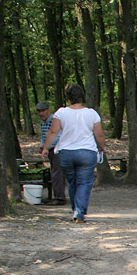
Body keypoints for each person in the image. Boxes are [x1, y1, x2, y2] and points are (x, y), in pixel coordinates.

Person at [42, 83, 105, 223]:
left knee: (72, 182)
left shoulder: (61, 113)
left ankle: (76, 209)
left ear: (68, 97)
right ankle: (79, 212)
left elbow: (53, 132)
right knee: (84, 182)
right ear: (82, 96)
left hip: (66, 152)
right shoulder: (92, 113)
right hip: (87, 152)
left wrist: (46, 148)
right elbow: (99, 134)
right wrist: (101, 147)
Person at [36, 101, 66, 205]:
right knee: (54, 172)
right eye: (39, 111)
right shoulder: (43, 122)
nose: (41, 113)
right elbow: (43, 135)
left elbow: (56, 136)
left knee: (57, 173)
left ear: (48, 110)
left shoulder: (54, 120)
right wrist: (42, 146)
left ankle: (59, 198)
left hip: (58, 149)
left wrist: (46, 147)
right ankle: (56, 196)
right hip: (49, 149)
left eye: (43, 111)